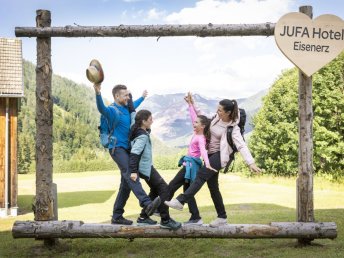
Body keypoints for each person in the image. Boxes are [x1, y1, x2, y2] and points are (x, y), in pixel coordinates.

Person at [165, 93, 261, 227]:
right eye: (217, 109)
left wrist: (251, 162)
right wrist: (192, 104)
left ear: (228, 112)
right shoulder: (217, 118)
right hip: (210, 155)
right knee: (213, 187)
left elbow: (241, 145)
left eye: (220, 110)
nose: (217, 111)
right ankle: (222, 217)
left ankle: (181, 201)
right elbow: (204, 116)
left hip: (220, 156)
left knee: (201, 175)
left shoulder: (233, 128)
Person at [94, 83, 161, 225]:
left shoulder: (126, 108)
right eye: (125, 95)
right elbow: (101, 109)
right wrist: (98, 93)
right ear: (117, 96)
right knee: (131, 172)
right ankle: (146, 203)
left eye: (128, 95)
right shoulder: (112, 110)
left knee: (125, 184)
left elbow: (134, 104)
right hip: (116, 148)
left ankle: (117, 216)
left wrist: (141, 98)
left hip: (127, 149)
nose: (128, 98)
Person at [168, 93, 217, 225]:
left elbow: (204, 152)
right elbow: (193, 116)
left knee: (173, 185)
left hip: (191, 165)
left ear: (202, 126)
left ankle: (161, 208)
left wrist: (207, 164)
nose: (193, 123)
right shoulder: (197, 132)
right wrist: (189, 105)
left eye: (196, 123)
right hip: (188, 164)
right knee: (187, 190)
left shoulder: (201, 138)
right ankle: (195, 217)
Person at [128, 109, 182, 230]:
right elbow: (135, 153)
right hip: (145, 168)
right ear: (143, 121)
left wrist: (132, 102)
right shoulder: (142, 136)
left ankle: (143, 217)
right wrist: (133, 171)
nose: (152, 121)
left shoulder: (138, 129)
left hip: (145, 167)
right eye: (150, 119)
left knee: (155, 190)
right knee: (164, 189)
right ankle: (165, 220)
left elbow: (133, 115)